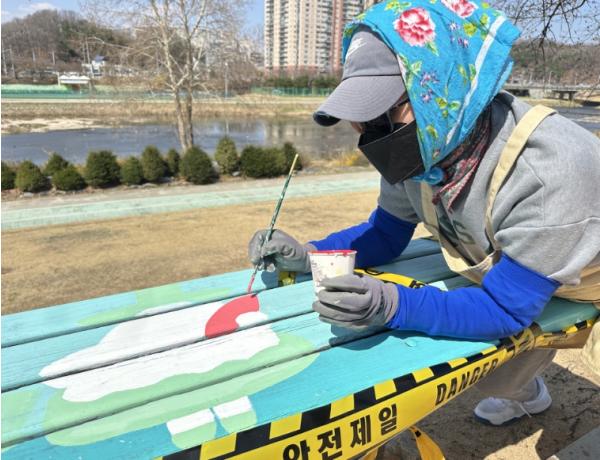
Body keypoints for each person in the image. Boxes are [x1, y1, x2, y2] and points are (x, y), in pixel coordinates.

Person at [249, 0, 600, 426]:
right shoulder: (430, 144)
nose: (371, 133)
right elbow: (386, 233)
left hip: (587, 276)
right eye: (362, 119)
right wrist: (309, 255)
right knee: (496, 375)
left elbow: (506, 310)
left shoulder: (547, 173)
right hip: (519, 266)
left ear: (443, 88)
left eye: (385, 112)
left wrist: (394, 305)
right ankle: (522, 391)